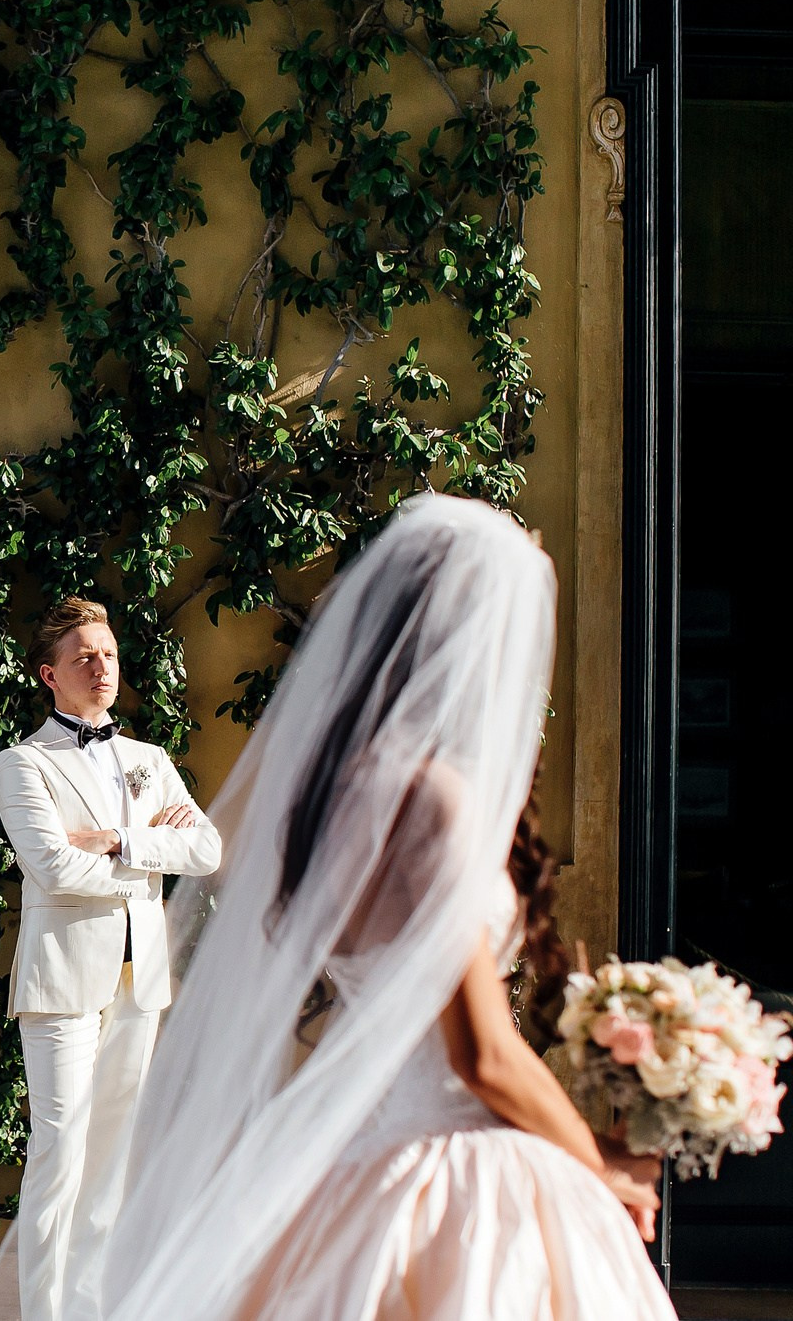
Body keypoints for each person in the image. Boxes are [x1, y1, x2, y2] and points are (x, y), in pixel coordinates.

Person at [82, 494, 674, 1321]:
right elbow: (483, 1054)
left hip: (356, 1151)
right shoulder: (433, 799)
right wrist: (595, 1166)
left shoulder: (340, 788)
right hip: (446, 1163)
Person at [0, 597, 221, 1321]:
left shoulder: (149, 760)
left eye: (110, 653)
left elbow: (207, 847)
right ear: (48, 674)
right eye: (85, 657)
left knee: (112, 1158)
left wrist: (122, 841)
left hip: (138, 982)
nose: (102, 667)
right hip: (61, 979)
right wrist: (152, 852)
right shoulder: (22, 762)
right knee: (59, 1150)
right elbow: (54, 868)